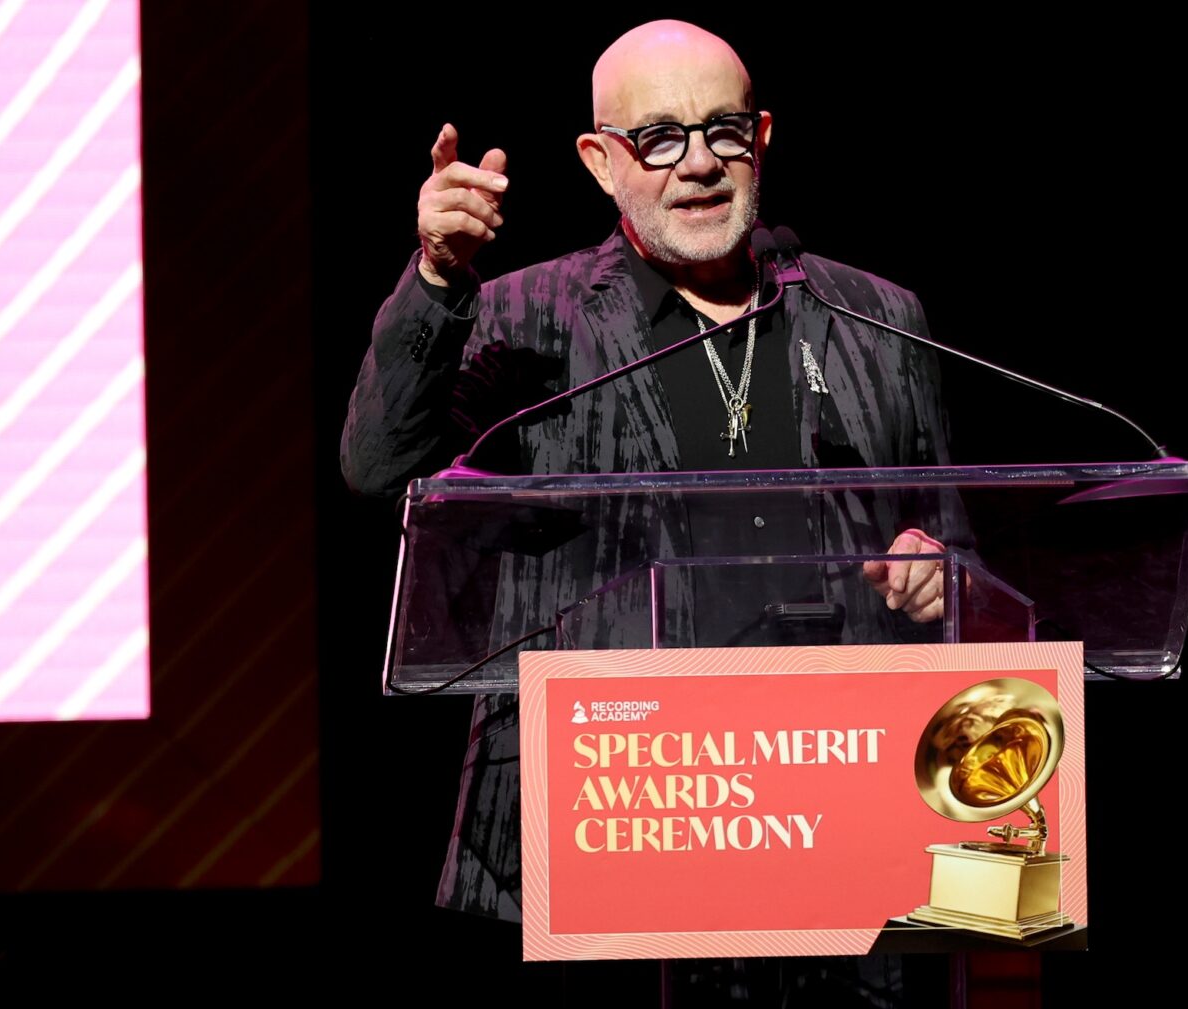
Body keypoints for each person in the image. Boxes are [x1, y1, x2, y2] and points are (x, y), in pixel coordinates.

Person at [341, 19, 960, 1004]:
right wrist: (437, 278)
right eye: (660, 137)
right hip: (617, 817)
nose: (700, 163)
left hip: (844, 816)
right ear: (600, 160)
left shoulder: (879, 319)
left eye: (722, 130)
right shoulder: (517, 316)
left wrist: (934, 561)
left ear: (761, 139)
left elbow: (948, 532)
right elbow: (383, 468)